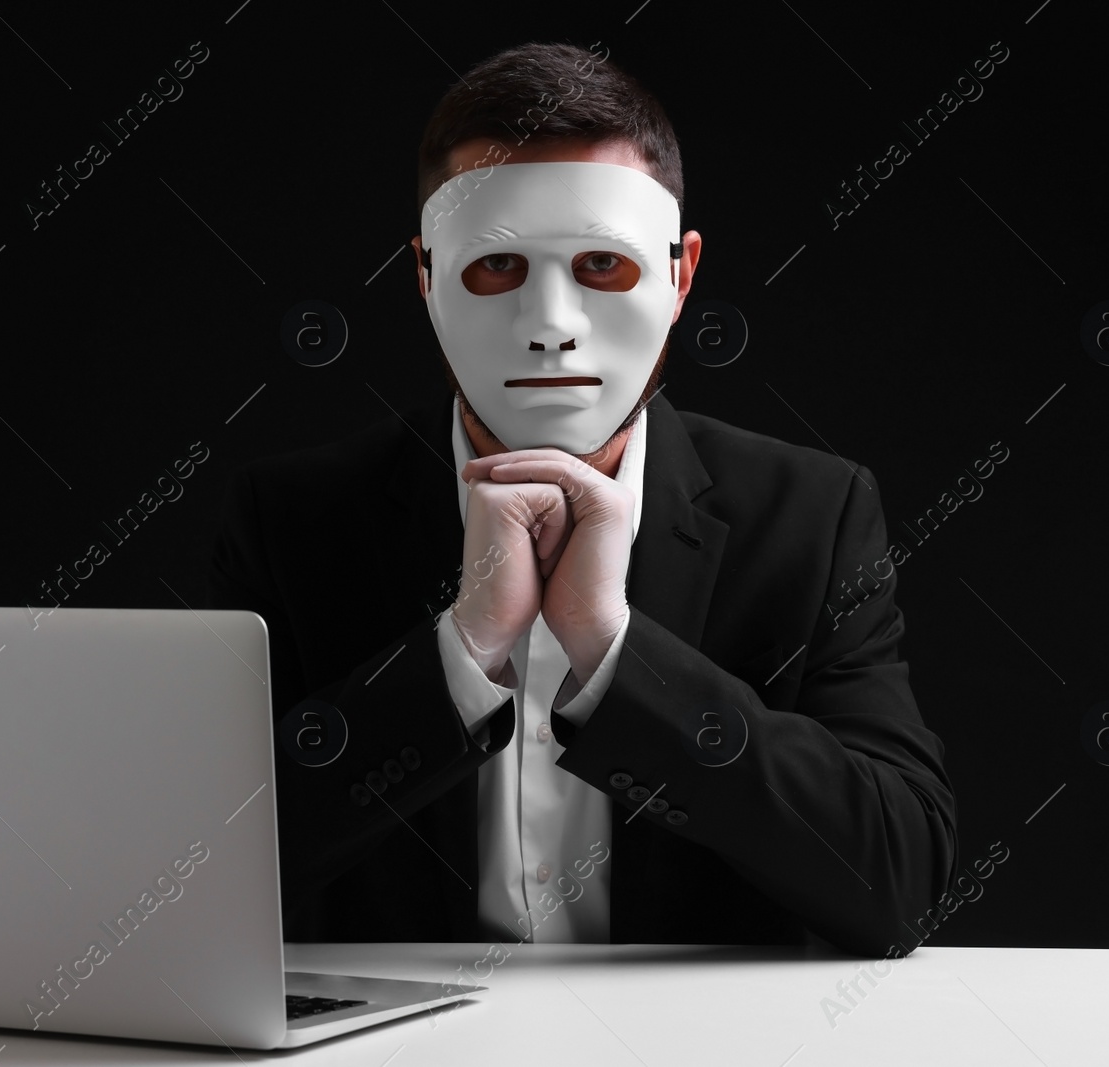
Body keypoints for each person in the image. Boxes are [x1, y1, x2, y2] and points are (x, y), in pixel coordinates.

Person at [206, 41, 957, 957]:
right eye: (497, 268)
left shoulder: (810, 516)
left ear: (680, 278)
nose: (552, 326)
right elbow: (193, 874)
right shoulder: (292, 520)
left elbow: (900, 881)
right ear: (426, 277)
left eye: (603, 264)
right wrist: (459, 655)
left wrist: (617, 653)